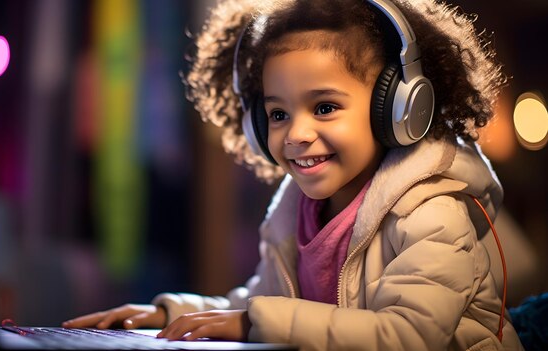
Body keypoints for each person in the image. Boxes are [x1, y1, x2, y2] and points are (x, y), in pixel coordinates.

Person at [63, 0, 525, 349]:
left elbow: (408, 334)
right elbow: (257, 304)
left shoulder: (432, 212)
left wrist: (254, 321)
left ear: (400, 108)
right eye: (277, 114)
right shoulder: (295, 209)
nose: (296, 134)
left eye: (325, 108)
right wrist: (166, 313)